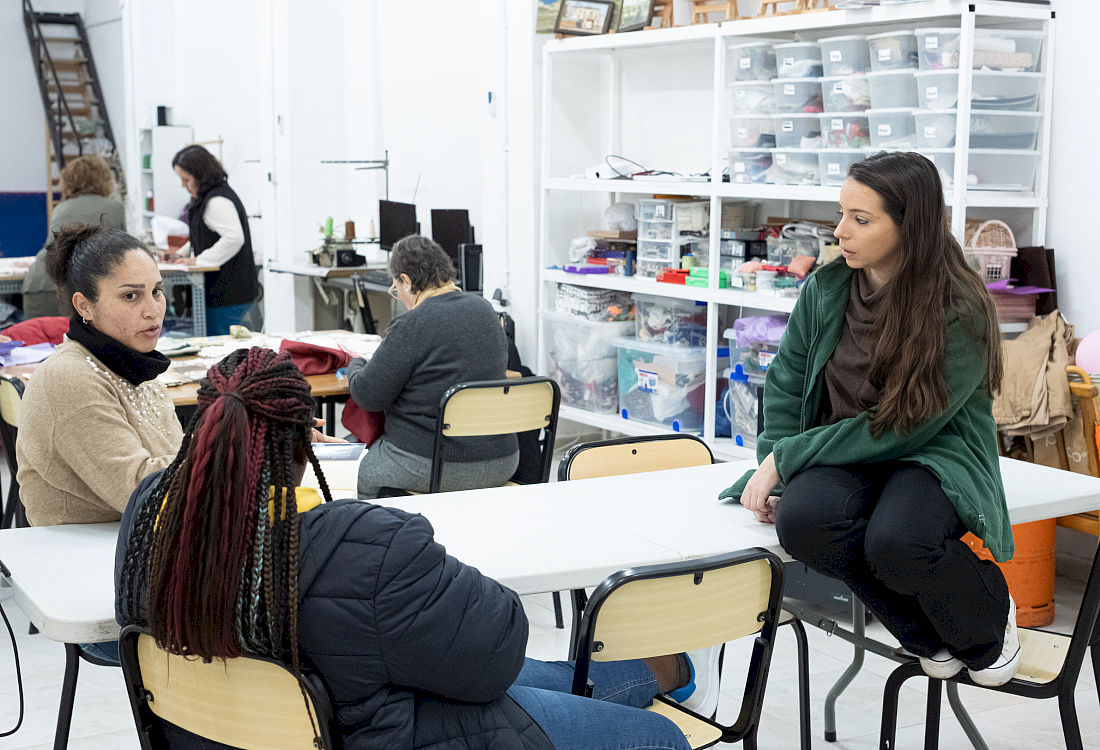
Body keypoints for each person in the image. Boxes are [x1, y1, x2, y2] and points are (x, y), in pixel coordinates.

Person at [115, 347, 716, 750]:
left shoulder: (149, 515)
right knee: (657, 737)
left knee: (522, 676)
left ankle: (662, 671)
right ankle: (664, 675)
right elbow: (497, 655)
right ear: (303, 445)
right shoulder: (363, 547)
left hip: (224, 734)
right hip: (385, 733)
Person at [721, 151, 1020, 688]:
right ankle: (924, 634)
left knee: (898, 544)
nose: (840, 232)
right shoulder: (827, 288)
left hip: (931, 452)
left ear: (911, 225)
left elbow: (905, 425)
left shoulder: (960, 307)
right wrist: (777, 468)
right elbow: (787, 385)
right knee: (803, 523)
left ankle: (989, 620)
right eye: (841, 215)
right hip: (843, 450)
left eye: (861, 219)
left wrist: (786, 459)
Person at [18, 224, 180, 528]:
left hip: (139, 538)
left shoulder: (134, 365)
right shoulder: (69, 377)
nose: (153, 310)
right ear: (85, 306)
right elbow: (140, 490)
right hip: (85, 552)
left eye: (156, 291)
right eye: (131, 296)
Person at [347, 235, 520, 498]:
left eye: (396, 289)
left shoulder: (412, 324)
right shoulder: (486, 311)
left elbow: (368, 395)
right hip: (502, 460)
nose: (399, 296)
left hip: (432, 463)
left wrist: (356, 362)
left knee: (353, 475)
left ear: (406, 280)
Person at [170, 145, 258, 335]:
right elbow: (202, 234)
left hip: (227, 293)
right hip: (224, 293)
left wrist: (199, 260)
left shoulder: (217, 202)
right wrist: (179, 255)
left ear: (200, 175)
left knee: (220, 346)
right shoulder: (207, 198)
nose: (183, 185)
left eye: (186, 180)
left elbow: (234, 238)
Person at [23, 155, 126, 318]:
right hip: (82, 287)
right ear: (104, 179)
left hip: (39, 283)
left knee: (42, 334)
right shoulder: (115, 208)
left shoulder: (60, 208)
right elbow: (127, 254)